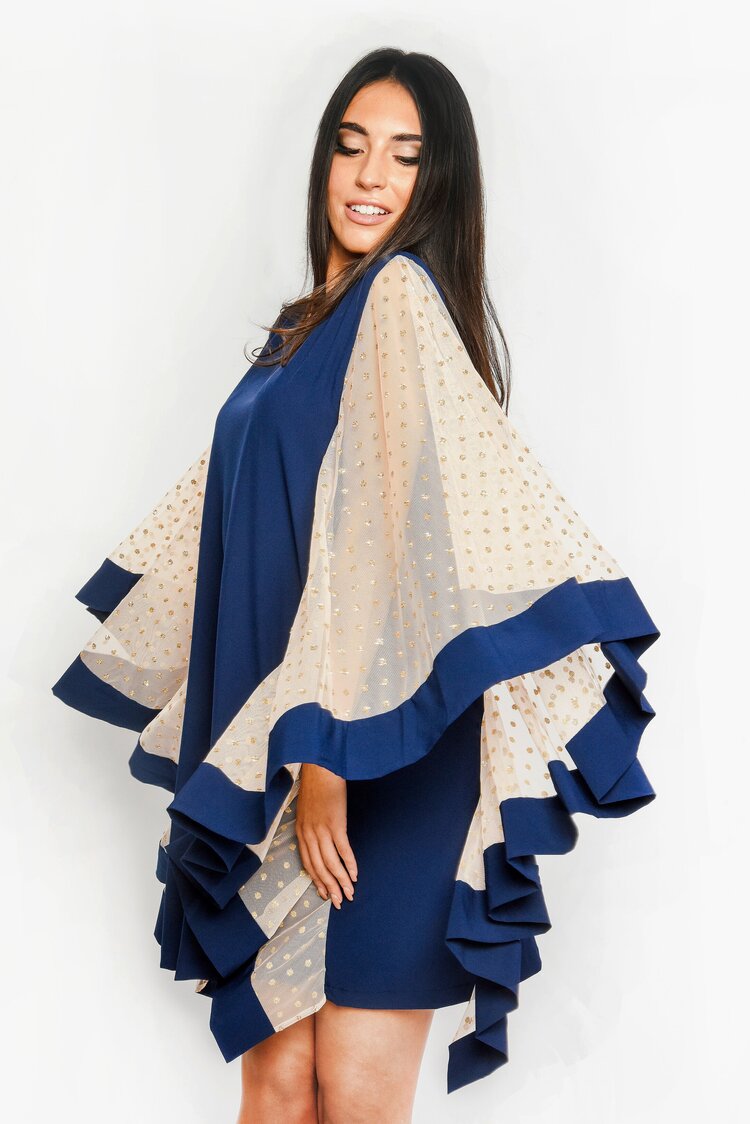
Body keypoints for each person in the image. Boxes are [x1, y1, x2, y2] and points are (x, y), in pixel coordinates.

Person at [51, 47, 659, 1124]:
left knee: (358, 1096)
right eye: (351, 145)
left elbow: (372, 547)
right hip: (291, 740)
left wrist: (322, 754)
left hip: (374, 755)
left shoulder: (400, 299)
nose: (371, 175)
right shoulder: (308, 325)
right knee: (278, 1084)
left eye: (405, 156)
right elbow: (253, 522)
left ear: (440, 181)